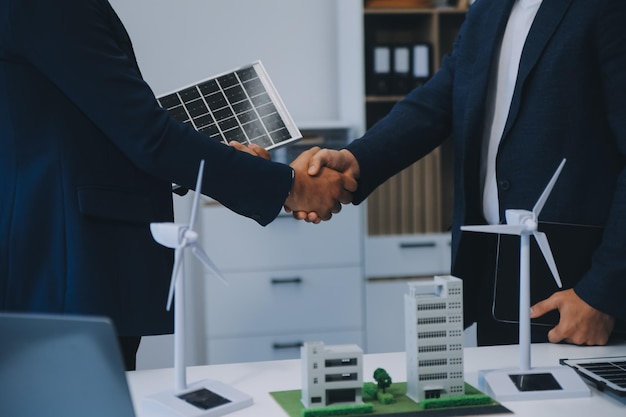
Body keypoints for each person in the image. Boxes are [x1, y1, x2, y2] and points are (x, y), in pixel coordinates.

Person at [0, 0, 355, 370]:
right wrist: (288, 186)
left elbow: (94, 128)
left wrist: (219, 158)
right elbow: (145, 134)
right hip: (67, 269)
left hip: (67, 266)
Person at [295, 0, 626, 346]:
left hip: (579, 288)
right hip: (493, 270)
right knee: (500, 400)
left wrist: (600, 293)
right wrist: (356, 159)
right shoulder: (488, 7)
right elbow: (439, 99)